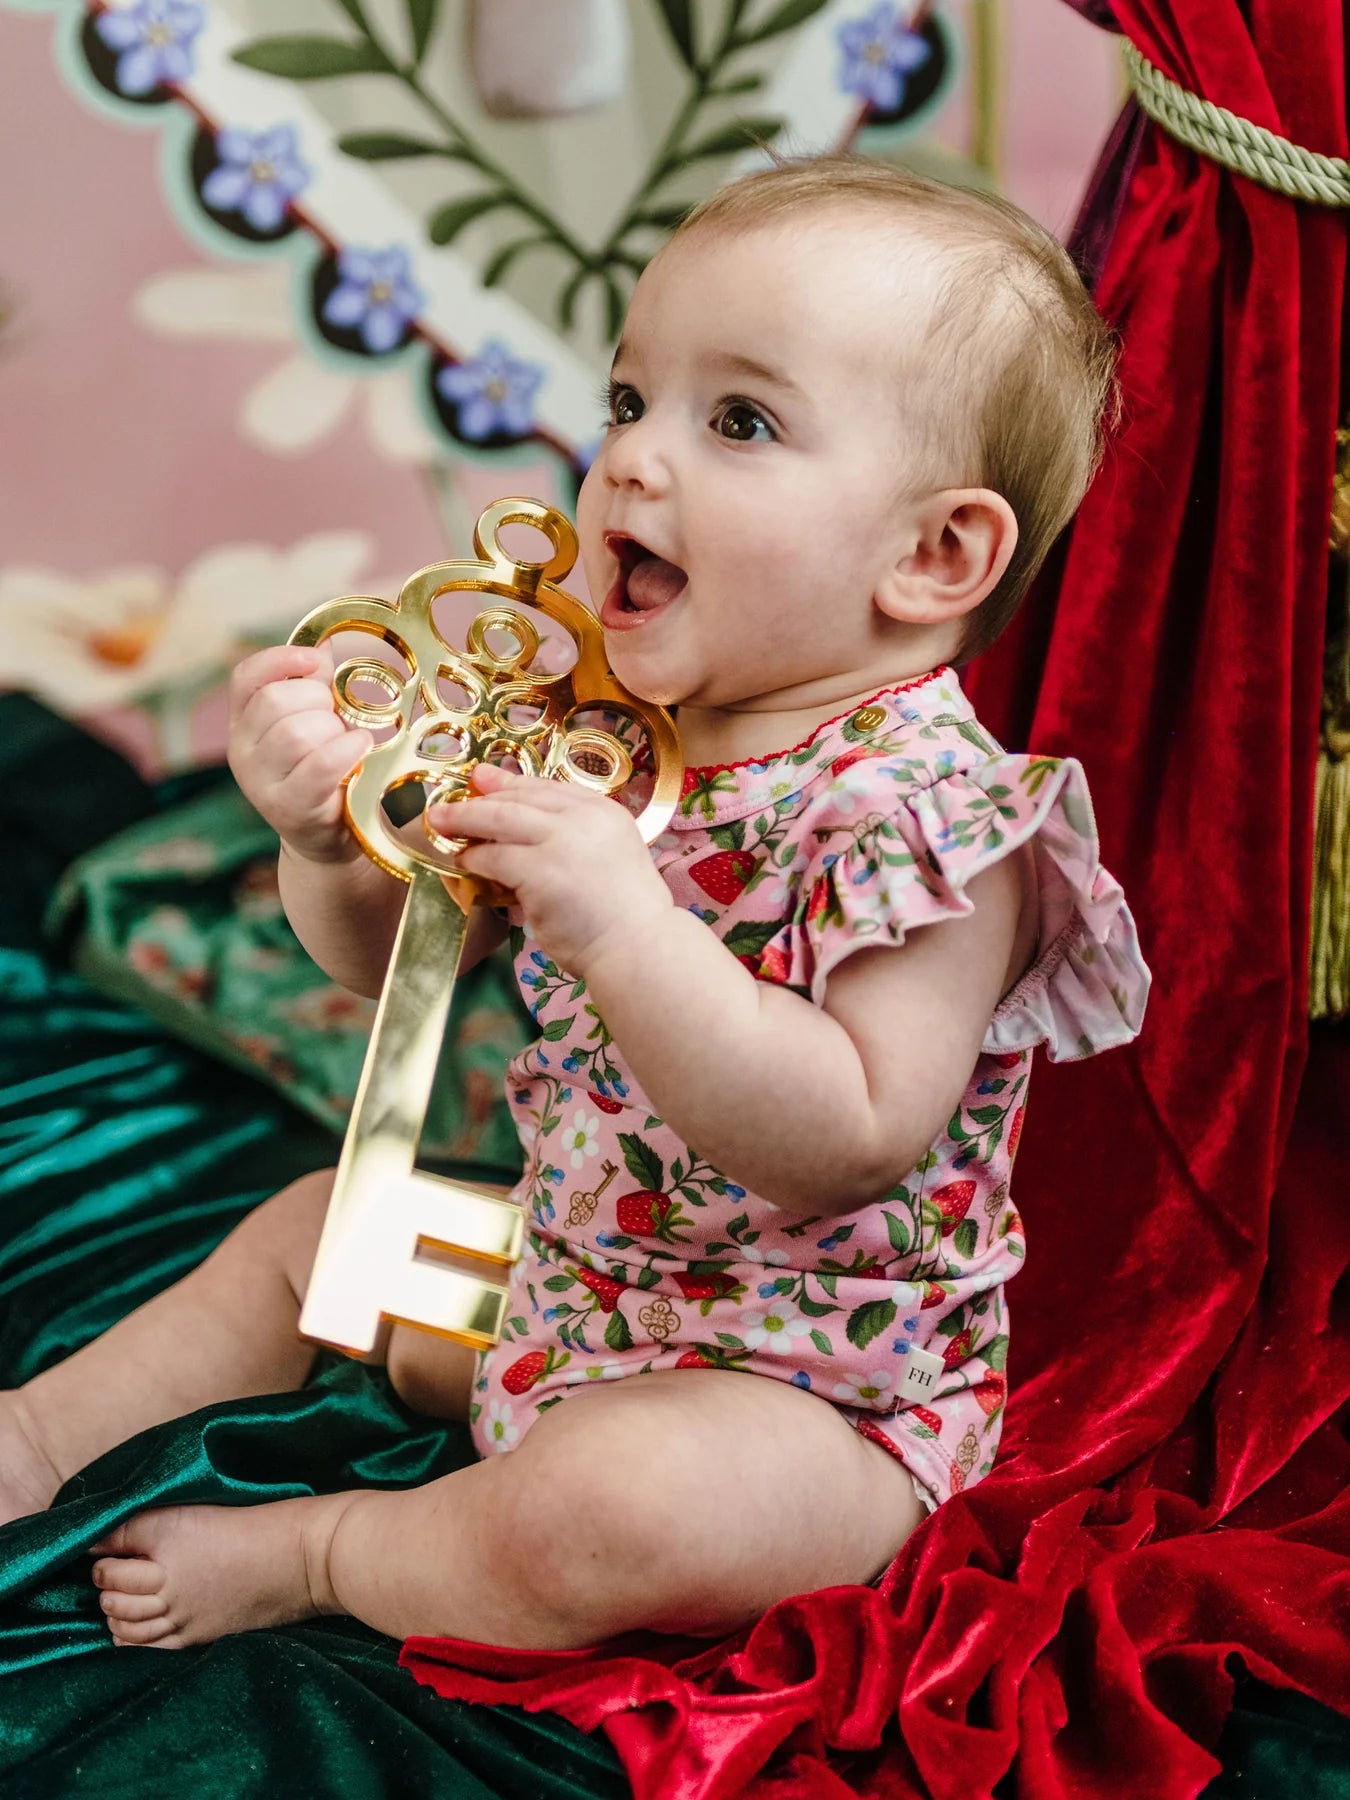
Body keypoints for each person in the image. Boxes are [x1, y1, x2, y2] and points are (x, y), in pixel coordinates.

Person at [0, 157, 1149, 1650]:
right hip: (570, 1284)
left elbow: (850, 1137)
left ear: (933, 556)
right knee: (313, 1231)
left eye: (736, 421)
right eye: (628, 401)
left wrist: (625, 926)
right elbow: (398, 966)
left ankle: (337, 1549)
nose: (629, 462)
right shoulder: (605, 727)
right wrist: (330, 842)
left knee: (609, 1508)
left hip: (805, 1391)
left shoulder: (933, 820)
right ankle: (36, 1437)